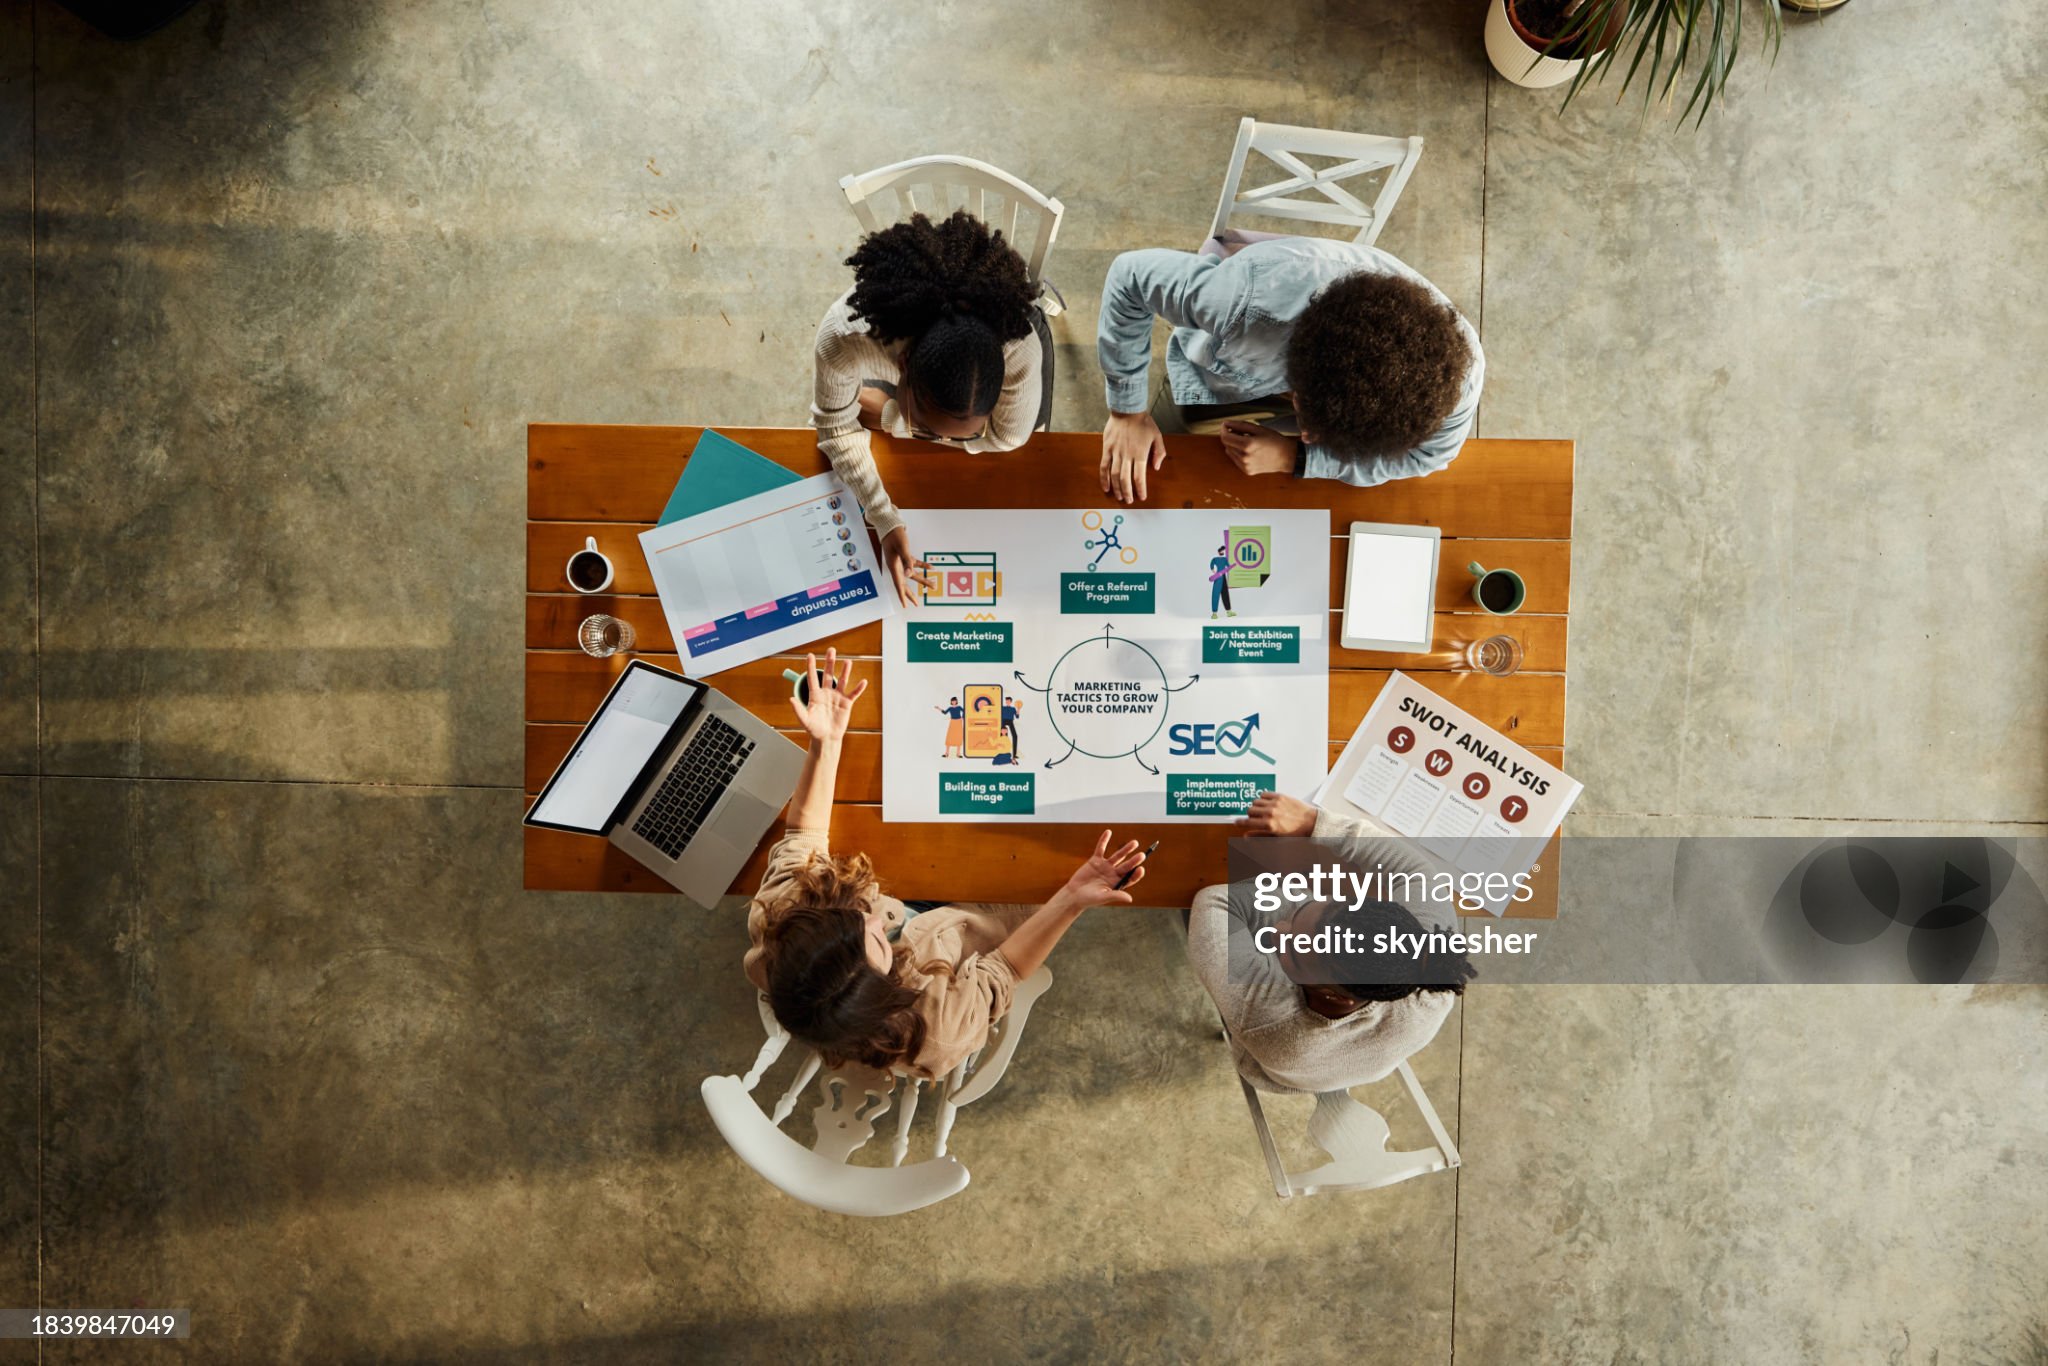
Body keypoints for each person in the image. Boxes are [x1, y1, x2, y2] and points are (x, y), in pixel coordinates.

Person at [747, 650, 1149, 1078]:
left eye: (850, 919)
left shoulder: (784, 928)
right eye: (880, 943)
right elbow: (1005, 969)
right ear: (889, 992)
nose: (874, 921)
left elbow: (802, 838)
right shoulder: (939, 1034)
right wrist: (1071, 899)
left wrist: (826, 743)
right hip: (982, 921)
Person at [1094, 234, 1483, 504]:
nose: (1306, 436)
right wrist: (1127, 412)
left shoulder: (1453, 387)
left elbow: (1426, 458)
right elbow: (1130, 277)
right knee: (1172, 445)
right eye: (1307, 425)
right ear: (1295, 367)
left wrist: (1297, 458)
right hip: (1221, 372)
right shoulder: (1242, 298)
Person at [811, 210, 1051, 606]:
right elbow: (834, 428)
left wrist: (895, 419)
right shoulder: (845, 338)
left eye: (970, 430)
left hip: (1000, 325)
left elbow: (1009, 437)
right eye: (928, 425)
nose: (937, 439)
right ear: (902, 368)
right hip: (888, 335)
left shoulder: (1020, 349)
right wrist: (883, 518)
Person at [1182, 791, 1473, 1093]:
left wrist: (1291, 896)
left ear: (1336, 997)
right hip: (1364, 1058)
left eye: (1293, 953)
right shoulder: (1429, 969)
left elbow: (1214, 901)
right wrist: (1312, 821)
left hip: (1275, 1069)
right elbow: (1418, 873)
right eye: (1307, 913)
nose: (1278, 929)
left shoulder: (1266, 1018)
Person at [1207, 540, 1234, 620]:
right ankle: (1214, 613)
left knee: (1225, 594)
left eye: (1223, 550)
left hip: (1223, 579)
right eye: (1222, 550)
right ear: (1219, 551)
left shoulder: (1225, 559)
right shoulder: (1215, 558)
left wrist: (1230, 567)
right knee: (1215, 595)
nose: (1223, 552)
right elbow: (1211, 564)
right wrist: (1214, 571)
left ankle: (1229, 612)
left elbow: (1228, 566)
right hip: (1217, 578)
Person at [1000, 695, 1021, 760]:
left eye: (1008, 701)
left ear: (1011, 702)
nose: (1007, 702)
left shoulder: (1013, 709)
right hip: (1003, 721)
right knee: (1003, 737)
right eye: (1006, 701)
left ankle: (1014, 755)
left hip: (1010, 721)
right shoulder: (1002, 708)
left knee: (1015, 736)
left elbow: (1017, 717)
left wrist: (1018, 710)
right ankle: (1002, 753)